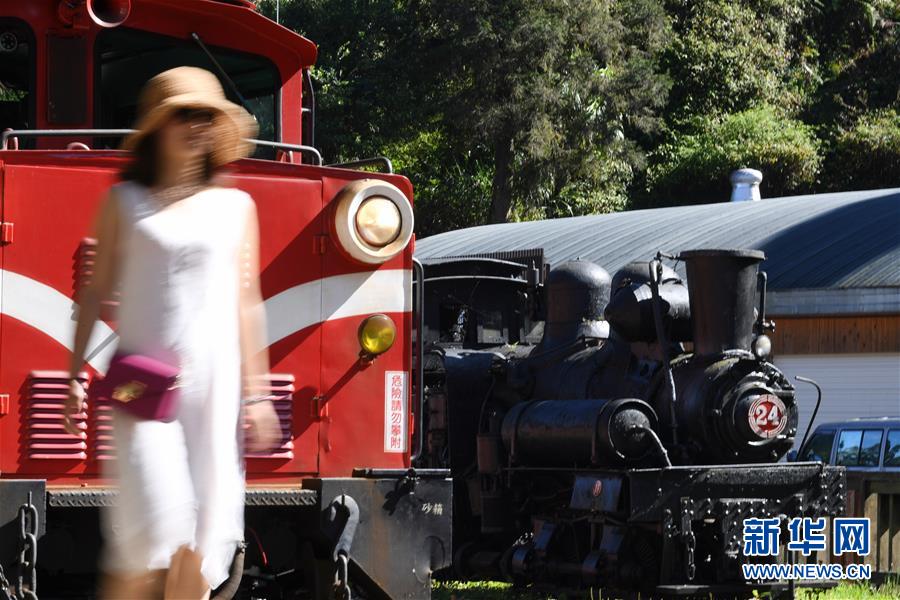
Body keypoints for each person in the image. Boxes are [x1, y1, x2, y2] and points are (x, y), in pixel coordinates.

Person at [64, 66, 281, 599]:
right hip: (143, 391)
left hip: (214, 394)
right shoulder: (123, 202)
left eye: (206, 115)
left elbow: (247, 301)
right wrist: (74, 376)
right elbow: (93, 293)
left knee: (200, 549)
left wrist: (258, 396)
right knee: (158, 530)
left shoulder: (236, 206)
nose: (196, 124)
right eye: (184, 114)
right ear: (158, 126)